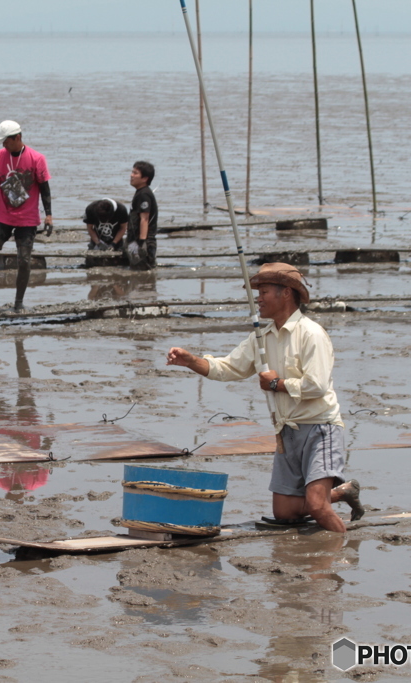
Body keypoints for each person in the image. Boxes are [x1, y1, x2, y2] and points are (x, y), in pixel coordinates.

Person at [166, 263, 364, 533]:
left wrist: (276, 383)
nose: (258, 298)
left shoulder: (311, 334)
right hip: (286, 431)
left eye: (264, 291)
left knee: (317, 507)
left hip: (320, 428)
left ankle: (341, 555)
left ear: (286, 294)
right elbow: (228, 368)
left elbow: (316, 386)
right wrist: (191, 361)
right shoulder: (261, 338)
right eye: (257, 292)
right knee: (284, 513)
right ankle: (343, 493)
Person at [0, 120, 53, 313]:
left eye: (6, 141)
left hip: (26, 219)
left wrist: (49, 215)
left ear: (17, 137)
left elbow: (45, 188)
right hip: (2, 216)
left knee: (24, 260)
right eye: (1, 142)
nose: (4, 145)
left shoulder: (37, 158)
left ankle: (19, 302)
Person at [126, 161, 157, 270]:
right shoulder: (139, 192)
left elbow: (144, 218)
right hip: (135, 240)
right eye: (132, 172)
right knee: (136, 273)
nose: (131, 175)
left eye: (135, 173)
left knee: (144, 274)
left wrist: (142, 242)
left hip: (144, 242)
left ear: (145, 178)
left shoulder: (144, 194)